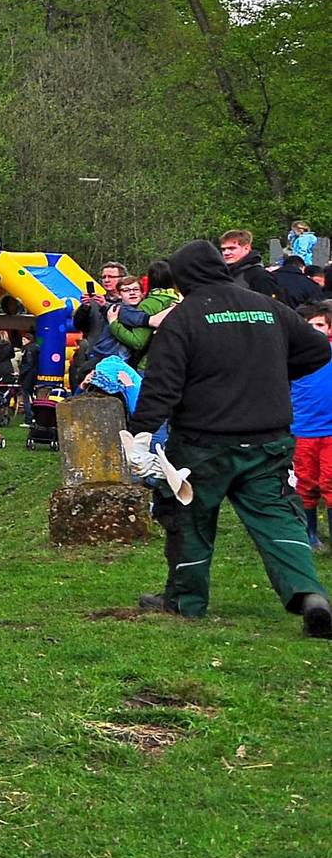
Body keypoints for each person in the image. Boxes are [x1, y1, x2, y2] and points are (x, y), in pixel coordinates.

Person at [119, 240, 332, 636]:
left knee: (189, 517)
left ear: (184, 278)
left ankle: (186, 601)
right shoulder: (270, 308)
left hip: (203, 442)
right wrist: (274, 371)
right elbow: (318, 349)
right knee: (278, 519)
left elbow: (162, 385)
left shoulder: (183, 319)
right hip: (268, 438)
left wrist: (140, 432)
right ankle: (309, 593)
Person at [294, 303, 332, 553]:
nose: (315, 330)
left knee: (330, 481)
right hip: (302, 430)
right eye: (310, 326)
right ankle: (309, 534)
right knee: (305, 482)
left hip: (330, 432)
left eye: (320, 325)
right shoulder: (293, 356)